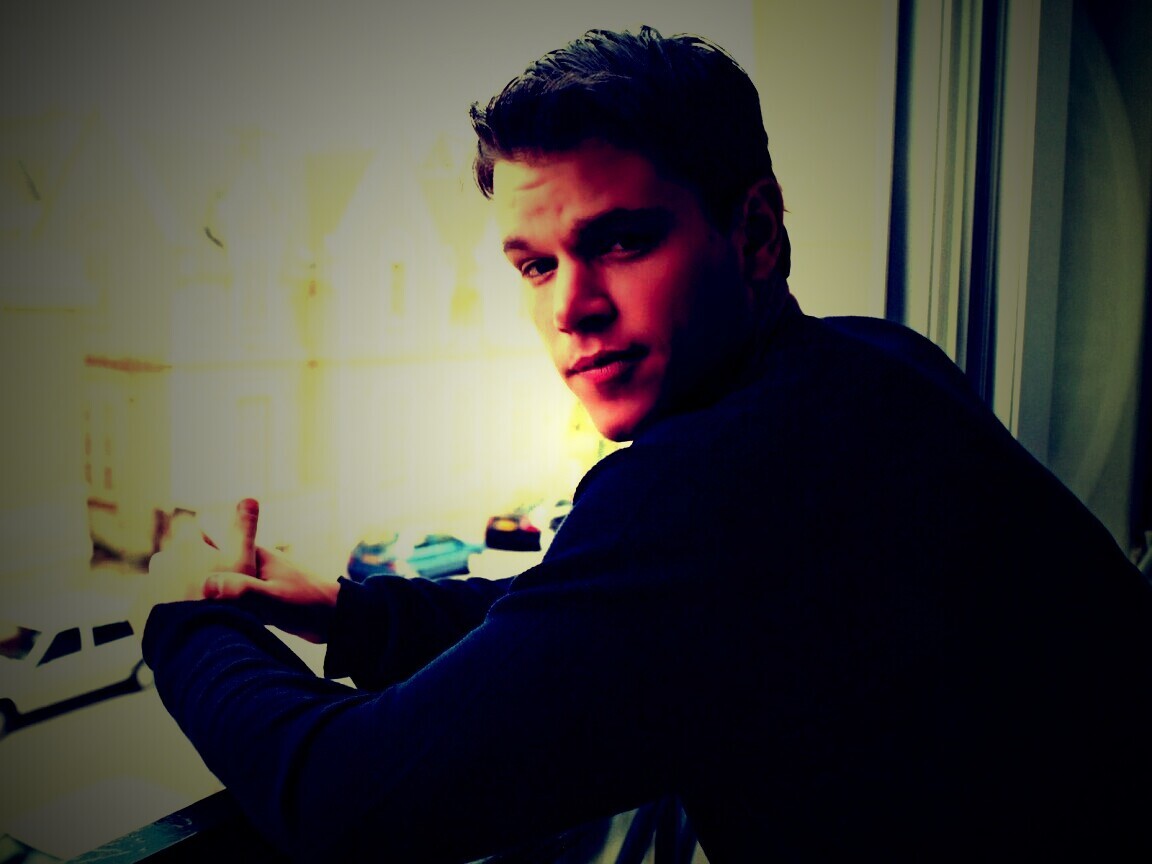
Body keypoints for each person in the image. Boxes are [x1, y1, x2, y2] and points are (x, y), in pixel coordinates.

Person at [140, 25, 1152, 863]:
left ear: (755, 233)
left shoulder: (720, 483)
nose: (571, 309)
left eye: (620, 241)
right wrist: (353, 614)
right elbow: (591, 624)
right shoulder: (874, 361)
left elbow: (341, 799)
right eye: (535, 266)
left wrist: (186, 616)